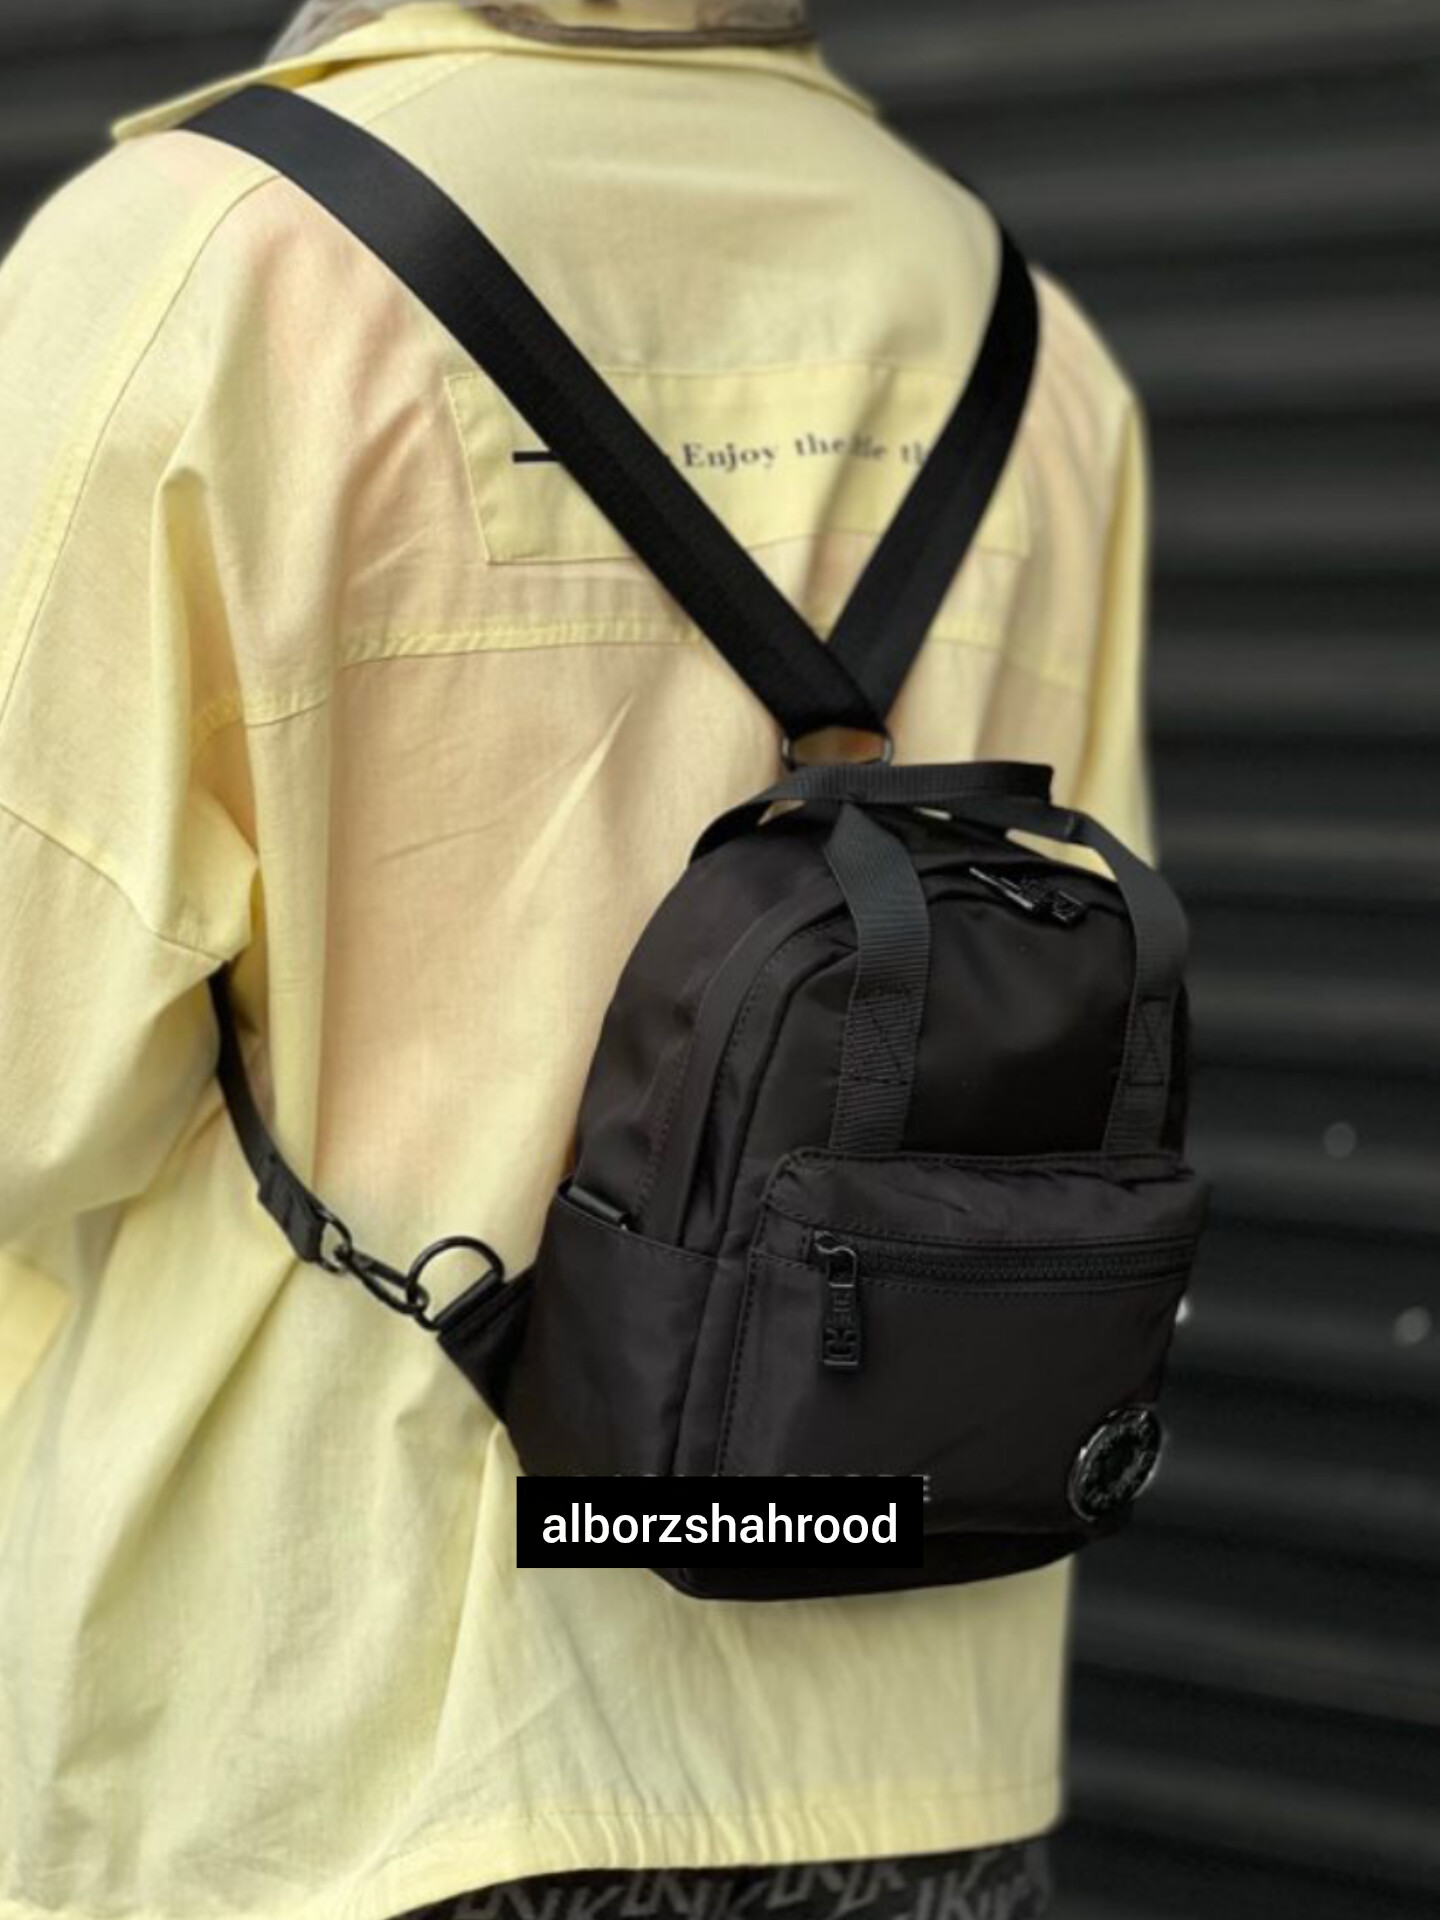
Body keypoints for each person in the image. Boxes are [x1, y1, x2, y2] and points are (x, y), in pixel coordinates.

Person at [0, 4, 1153, 1918]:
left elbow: (25, 1100)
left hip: (349, 1762)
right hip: (914, 1763)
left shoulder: (191, 268)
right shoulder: (1022, 332)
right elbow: (1068, 1006)